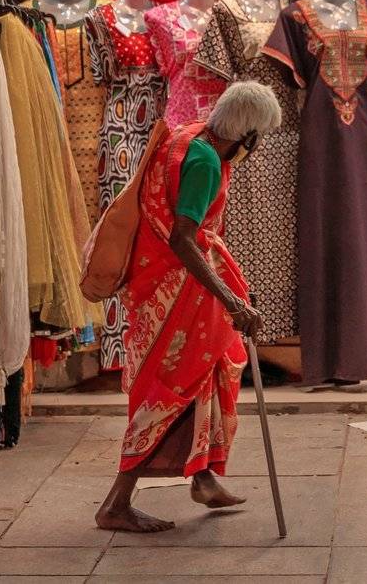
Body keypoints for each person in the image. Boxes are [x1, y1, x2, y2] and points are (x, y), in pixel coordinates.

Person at [96, 80, 283, 535]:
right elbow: (183, 238)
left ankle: (204, 478)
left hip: (165, 284)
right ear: (248, 134)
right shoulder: (204, 162)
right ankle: (116, 504)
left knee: (206, 375)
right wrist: (232, 301)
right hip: (178, 292)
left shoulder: (190, 135)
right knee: (171, 388)